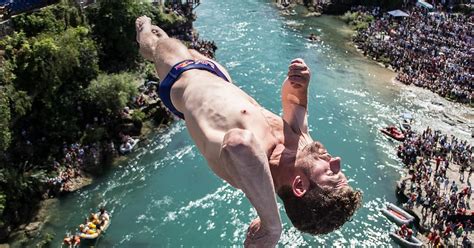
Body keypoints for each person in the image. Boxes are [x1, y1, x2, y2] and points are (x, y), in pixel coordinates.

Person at [135, 16, 362, 246]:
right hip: (219, 78)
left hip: (181, 77)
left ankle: (142, 31)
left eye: (332, 173)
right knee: (187, 48)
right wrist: (301, 84)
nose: (336, 161)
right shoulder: (302, 149)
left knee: (157, 45)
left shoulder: (242, 170)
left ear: (299, 185)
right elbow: (295, 105)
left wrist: (271, 225)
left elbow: (238, 143)